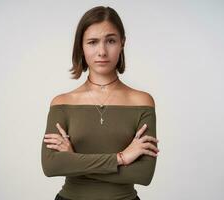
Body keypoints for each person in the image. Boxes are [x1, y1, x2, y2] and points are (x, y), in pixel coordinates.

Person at [41, 6, 160, 200]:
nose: (102, 51)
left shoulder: (142, 101)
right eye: (93, 42)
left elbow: (143, 174)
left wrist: (73, 160)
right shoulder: (62, 103)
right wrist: (120, 158)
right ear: (81, 46)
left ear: (122, 43)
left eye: (110, 41)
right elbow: (51, 166)